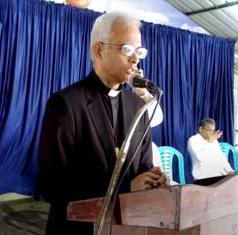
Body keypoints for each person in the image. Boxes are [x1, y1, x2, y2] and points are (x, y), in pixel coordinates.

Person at [37, 12, 168, 235]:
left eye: (139, 52)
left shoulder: (138, 106)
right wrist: (126, 188)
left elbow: (143, 165)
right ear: (99, 50)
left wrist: (153, 178)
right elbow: (53, 186)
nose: (135, 59)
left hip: (126, 227)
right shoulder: (66, 103)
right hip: (77, 229)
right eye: (127, 49)